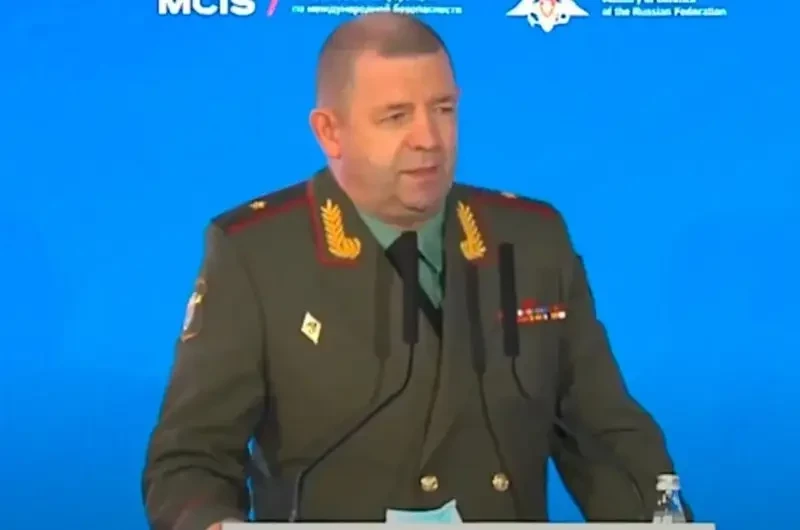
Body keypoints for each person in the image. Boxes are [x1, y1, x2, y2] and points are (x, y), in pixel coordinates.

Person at [142, 12, 690, 530]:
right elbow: (190, 461)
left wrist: (662, 517)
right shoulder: (259, 254)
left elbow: (604, 436)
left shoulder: (529, 240)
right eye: (396, 116)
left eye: (444, 109)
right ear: (330, 132)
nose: (429, 138)